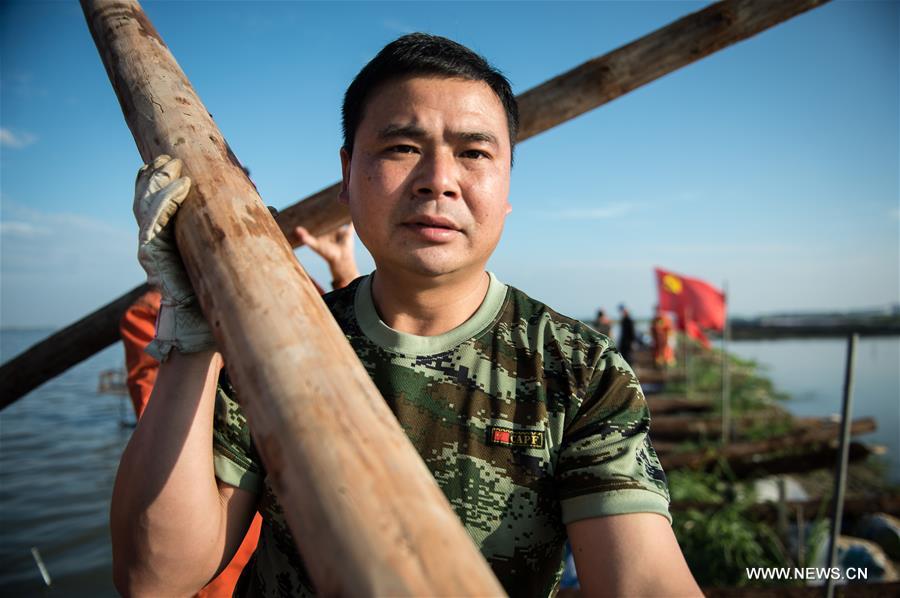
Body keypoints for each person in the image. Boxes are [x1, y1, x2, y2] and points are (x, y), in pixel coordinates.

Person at [111, 33, 701, 597]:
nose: (438, 182)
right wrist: (191, 338)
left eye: (473, 152)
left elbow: (643, 580)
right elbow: (157, 578)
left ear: (508, 184)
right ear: (347, 172)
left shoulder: (578, 370)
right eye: (402, 148)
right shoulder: (278, 342)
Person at [116, 224, 359, 597]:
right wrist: (192, 322)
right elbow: (165, 422)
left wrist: (344, 270)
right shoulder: (153, 312)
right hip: (216, 550)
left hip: (304, 536)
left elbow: (340, 353)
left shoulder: (291, 283)